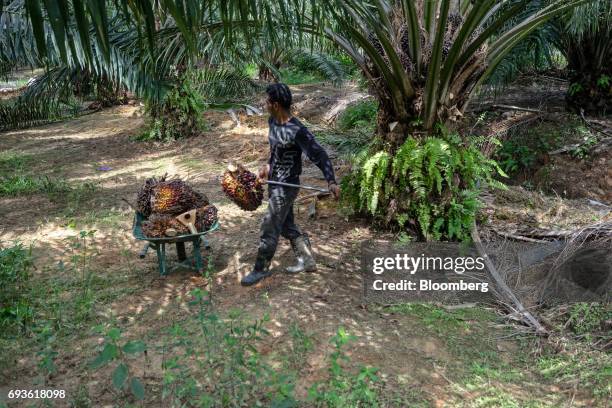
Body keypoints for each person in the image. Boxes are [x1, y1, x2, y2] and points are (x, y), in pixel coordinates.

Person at [241, 83, 341, 286]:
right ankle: (307, 260)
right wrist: (267, 167)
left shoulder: (297, 130)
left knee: (269, 225)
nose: (265, 104)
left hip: (287, 186)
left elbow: (319, 155)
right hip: (274, 182)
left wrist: (331, 181)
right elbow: (275, 152)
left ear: (275, 104)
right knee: (286, 225)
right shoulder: (272, 122)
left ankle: (260, 269)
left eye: (267, 101)